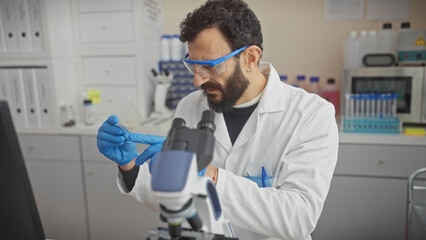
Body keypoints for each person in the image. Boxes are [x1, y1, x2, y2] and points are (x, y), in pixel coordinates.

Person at [96, 0, 339, 239]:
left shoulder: (311, 115)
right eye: (193, 66)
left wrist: (210, 176)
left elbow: (299, 218)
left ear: (250, 58)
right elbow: (174, 197)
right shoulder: (189, 106)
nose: (198, 81)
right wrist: (131, 168)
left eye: (210, 66)